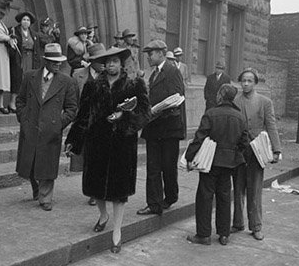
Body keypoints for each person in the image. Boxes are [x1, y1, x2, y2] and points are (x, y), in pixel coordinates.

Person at [66, 45, 150, 253]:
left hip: (122, 144)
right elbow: (83, 115)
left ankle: (117, 231)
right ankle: (103, 215)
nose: (111, 65)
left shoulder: (134, 85)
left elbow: (144, 113)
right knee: (96, 187)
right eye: (108, 61)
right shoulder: (92, 86)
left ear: (122, 64)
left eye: (115, 61)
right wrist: (73, 139)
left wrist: (125, 117)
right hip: (97, 142)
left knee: (119, 191)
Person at [15, 43, 79, 211]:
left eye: (60, 61)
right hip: (31, 127)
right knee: (29, 161)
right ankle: (36, 189)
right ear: (45, 61)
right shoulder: (30, 77)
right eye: (54, 61)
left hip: (51, 130)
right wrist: (23, 118)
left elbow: (72, 108)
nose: (58, 64)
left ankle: (45, 197)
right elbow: (20, 100)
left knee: (48, 163)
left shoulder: (67, 81)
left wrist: (58, 124)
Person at [185, 83, 251, 246]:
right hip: (229, 163)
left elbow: (199, 138)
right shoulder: (240, 117)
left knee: (205, 196)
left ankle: (203, 234)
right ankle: (224, 234)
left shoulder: (211, 114)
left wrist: (189, 157)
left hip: (210, 162)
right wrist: (234, 153)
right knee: (224, 196)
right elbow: (244, 142)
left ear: (221, 95)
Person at [231, 68, 282, 241]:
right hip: (239, 151)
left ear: (255, 83)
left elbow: (271, 125)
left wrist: (276, 149)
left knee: (255, 190)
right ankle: (238, 223)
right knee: (238, 189)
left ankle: (256, 225)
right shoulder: (235, 101)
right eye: (243, 81)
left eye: (249, 81)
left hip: (257, 152)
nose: (245, 84)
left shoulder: (264, 102)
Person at [138, 40, 187, 217]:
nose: (149, 57)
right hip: (154, 128)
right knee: (153, 168)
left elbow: (178, 97)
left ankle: (171, 196)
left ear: (161, 53)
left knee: (168, 166)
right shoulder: (154, 74)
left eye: (151, 53)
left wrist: (156, 110)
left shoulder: (172, 71)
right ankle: (154, 204)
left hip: (168, 129)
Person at [71, 41, 108, 206]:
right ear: (92, 60)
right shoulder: (78, 75)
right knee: (86, 159)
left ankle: (97, 191)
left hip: (103, 125)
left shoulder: (110, 76)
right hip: (85, 123)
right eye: (100, 60)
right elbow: (73, 100)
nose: (104, 64)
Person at [9, 10, 42, 112]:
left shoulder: (34, 34)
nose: (26, 22)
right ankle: (12, 103)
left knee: (29, 80)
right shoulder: (14, 30)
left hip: (31, 59)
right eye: (24, 20)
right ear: (20, 21)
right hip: (19, 58)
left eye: (28, 20)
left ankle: (26, 104)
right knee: (17, 79)